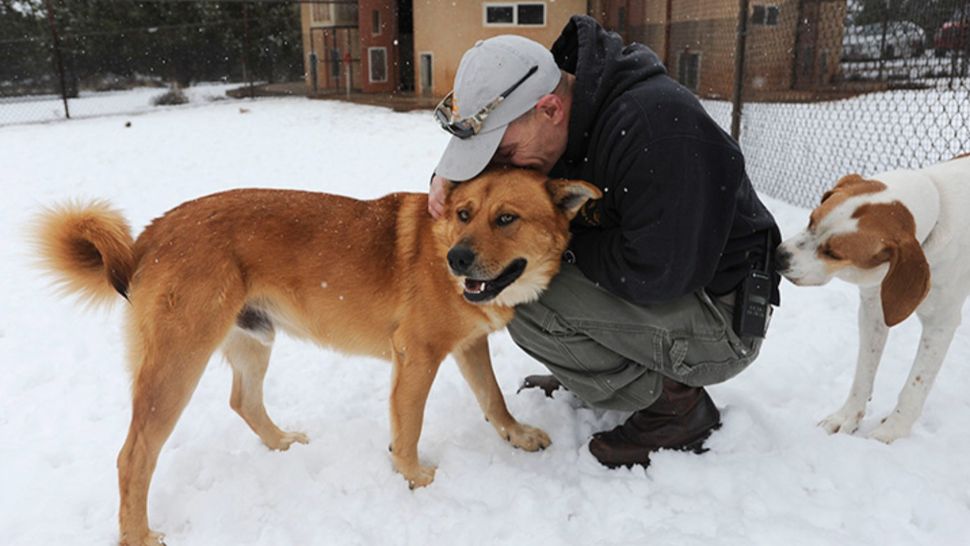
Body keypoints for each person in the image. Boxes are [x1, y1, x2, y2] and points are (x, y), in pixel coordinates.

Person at [428, 15, 781, 468]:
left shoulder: (655, 132)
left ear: (550, 110)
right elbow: (500, 190)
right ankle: (598, 374)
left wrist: (551, 244)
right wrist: (448, 182)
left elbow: (658, 273)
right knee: (513, 278)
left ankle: (673, 407)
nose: (501, 169)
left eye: (505, 155)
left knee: (528, 294)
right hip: (670, 283)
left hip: (721, 314)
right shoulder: (559, 115)